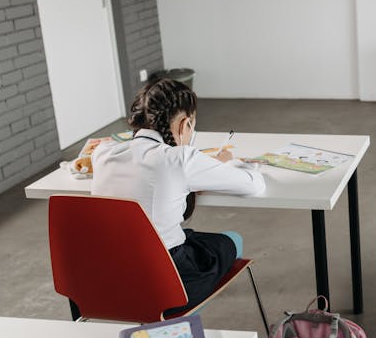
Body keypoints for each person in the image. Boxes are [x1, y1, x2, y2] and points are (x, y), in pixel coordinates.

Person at [91, 78, 265, 313]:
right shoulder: (181, 159)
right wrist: (229, 164)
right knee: (233, 240)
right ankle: (179, 322)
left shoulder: (102, 153)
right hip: (166, 279)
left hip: (109, 278)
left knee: (182, 237)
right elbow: (254, 185)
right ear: (185, 124)